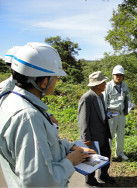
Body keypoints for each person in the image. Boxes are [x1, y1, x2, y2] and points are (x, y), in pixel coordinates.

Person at [0, 42, 95, 187]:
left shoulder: (13, 101)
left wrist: (69, 147)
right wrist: (71, 161)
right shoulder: (28, 117)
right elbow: (39, 181)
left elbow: (44, 145)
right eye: (55, 77)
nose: (56, 81)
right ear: (44, 82)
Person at [78, 71, 116, 187]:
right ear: (98, 84)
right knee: (92, 159)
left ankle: (103, 175)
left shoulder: (101, 95)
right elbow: (82, 120)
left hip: (103, 132)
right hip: (93, 135)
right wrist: (86, 138)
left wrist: (107, 114)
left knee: (106, 155)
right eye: (104, 82)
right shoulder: (87, 98)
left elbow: (100, 113)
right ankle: (90, 180)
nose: (105, 84)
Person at [103, 65, 131, 161]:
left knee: (120, 134)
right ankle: (107, 154)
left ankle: (119, 153)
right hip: (111, 112)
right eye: (116, 75)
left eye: (120, 75)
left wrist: (128, 109)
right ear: (113, 75)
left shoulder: (125, 86)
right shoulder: (107, 86)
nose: (118, 77)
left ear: (123, 76)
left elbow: (128, 98)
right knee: (109, 134)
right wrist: (105, 113)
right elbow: (104, 100)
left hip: (121, 113)